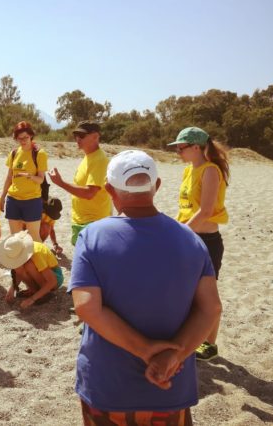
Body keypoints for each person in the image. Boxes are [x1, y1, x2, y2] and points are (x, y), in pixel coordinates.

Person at [69, 150, 222, 426]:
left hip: (108, 386)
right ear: (157, 186)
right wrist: (174, 355)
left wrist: (146, 350)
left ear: (109, 190)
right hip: (170, 388)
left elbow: (86, 307)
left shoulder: (92, 236)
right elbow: (211, 308)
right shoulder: (190, 239)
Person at [168, 126, 229, 361]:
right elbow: (186, 209)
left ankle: (209, 343)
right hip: (188, 236)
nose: (178, 152)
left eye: (181, 148)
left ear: (196, 147)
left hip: (206, 240)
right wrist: (171, 228)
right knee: (187, 292)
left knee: (208, 296)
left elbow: (204, 211)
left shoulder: (210, 170)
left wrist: (179, 233)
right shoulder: (188, 171)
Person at [49, 121, 111, 245]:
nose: (78, 139)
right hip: (81, 222)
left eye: (82, 136)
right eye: (76, 135)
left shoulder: (99, 160)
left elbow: (89, 193)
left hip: (93, 223)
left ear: (95, 136)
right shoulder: (88, 157)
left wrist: (60, 183)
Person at [0, 121, 48, 241]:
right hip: (13, 199)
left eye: (26, 137)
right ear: (16, 138)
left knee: (34, 238)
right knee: (16, 239)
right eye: (20, 138)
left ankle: (38, 260)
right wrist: (2, 197)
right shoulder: (14, 153)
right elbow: (9, 177)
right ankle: (20, 261)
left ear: (31, 135)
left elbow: (41, 180)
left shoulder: (39, 153)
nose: (23, 140)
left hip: (32, 200)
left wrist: (30, 176)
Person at [0, 230, 64, 309]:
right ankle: (34, 290)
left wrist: (32, 299)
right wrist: (13, 288)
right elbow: (18, 271)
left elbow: (52, 281)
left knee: (29, 265)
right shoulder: (19, 249)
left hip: (55, 277)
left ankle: (43, 294)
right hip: (42, 275)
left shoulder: (36, 253)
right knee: (18, 267)